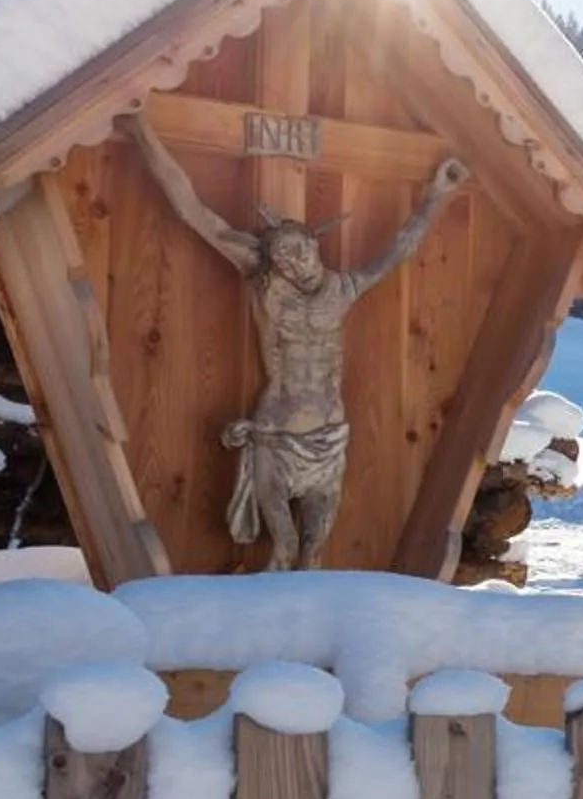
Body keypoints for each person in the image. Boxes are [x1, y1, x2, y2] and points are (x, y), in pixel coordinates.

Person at [120, 113, 468, 570]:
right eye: (282, 256)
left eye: (299, 250)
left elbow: (399, 249)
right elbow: (191, 210)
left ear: (315, 243)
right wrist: (143, 133)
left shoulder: (343, 289)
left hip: (329, 434)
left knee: (313, 553)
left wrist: (435, 197)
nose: (293, 261)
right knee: (283, 550)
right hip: (277, 432)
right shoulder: (262, 281)